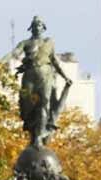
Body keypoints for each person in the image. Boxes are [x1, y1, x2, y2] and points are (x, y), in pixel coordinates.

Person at [7, 16, 73, 147]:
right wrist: (1, 62)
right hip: (29, 77)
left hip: (45, 77)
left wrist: (65, 77)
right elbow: (14, 53)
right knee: (27, 105)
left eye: (40, 25)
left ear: (43, 27)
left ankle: (38, 136)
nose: (37, 27)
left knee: (44, 104)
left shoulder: (49, 42)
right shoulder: (25, 43)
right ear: (31, 28)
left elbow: (54, 61)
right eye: (35, 25)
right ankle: (32, 131)